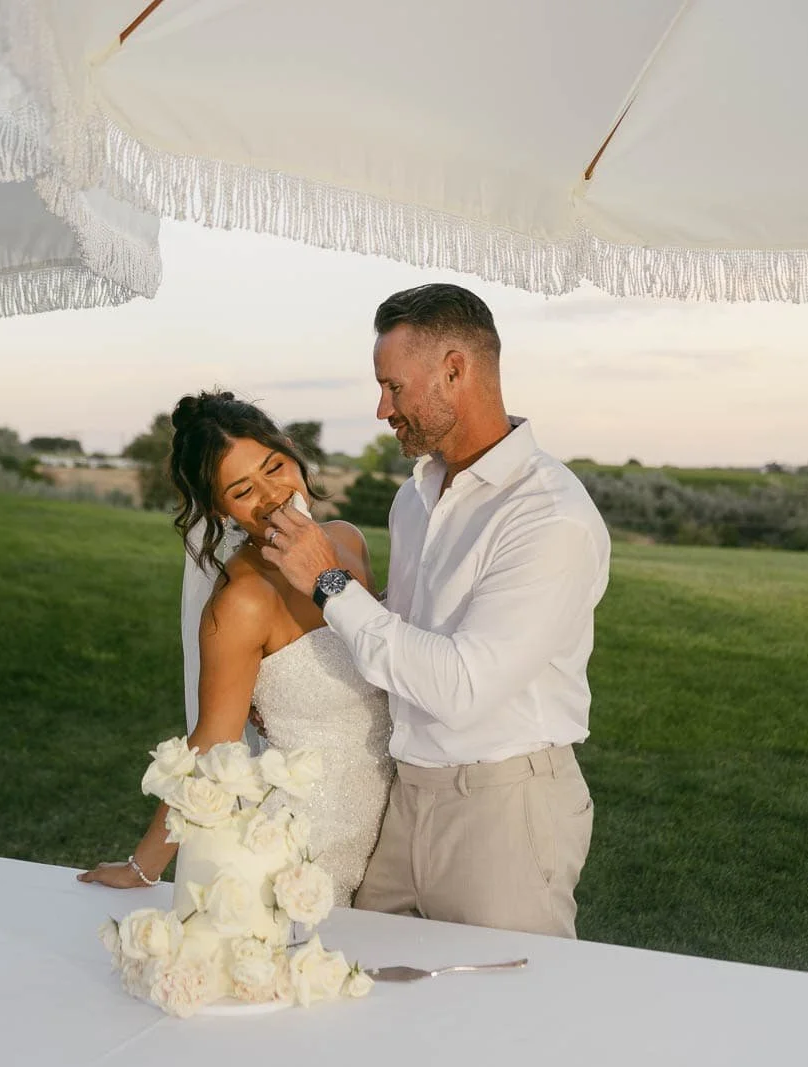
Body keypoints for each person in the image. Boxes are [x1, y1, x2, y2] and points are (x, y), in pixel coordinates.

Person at [262, 283, 611, 938]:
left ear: (456, 370)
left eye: (394, 387)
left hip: (505, 812)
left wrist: (329, 583)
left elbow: (460, 686)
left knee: (507, 1014)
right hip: (405, 797)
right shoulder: (414, 498)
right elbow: (401, 635)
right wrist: (296, 676)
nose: (380, 408)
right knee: (362, 980)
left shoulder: (549, 517)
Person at [79, 391, 392, 903]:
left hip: (395, 831)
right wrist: (143, 867)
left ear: (292, 451)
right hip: (303, 846)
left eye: (275, 466)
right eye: (243, 489)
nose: (271, 495)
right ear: (219, 510)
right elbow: (210, 745)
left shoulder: (349, 542)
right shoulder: (242, 603)